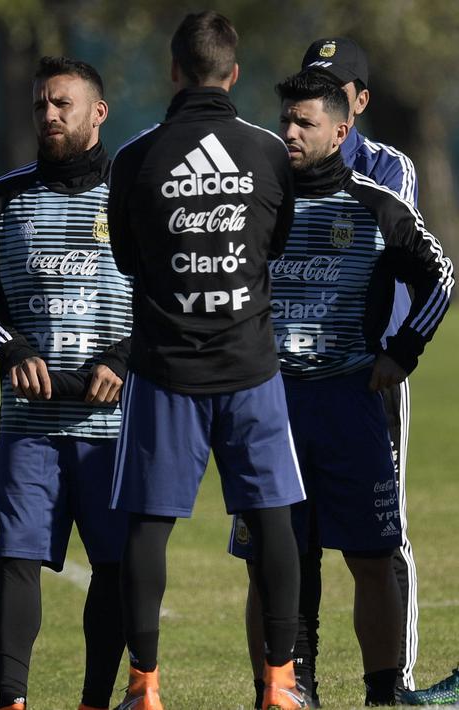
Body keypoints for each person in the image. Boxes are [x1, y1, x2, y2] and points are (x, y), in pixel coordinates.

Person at [105, 11, 306, 709]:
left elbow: (126, 259)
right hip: (251, 366)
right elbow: (274, 245)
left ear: (173, 70)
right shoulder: (267, 152)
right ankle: (280, 685)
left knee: (147, 524)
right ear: (234, 73)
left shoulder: (135, 157)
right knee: (273, 518)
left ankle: (145, 687)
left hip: (165, 370)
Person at [238, 68, 452, 708]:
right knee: (272, 559)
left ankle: (382, 693)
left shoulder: (378, 206)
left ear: (340, 130)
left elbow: (440, 277)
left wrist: (403, 350)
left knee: (371, 557)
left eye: (305, 122)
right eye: (286, 120)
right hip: (271, 407)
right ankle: (285, 689)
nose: (290, 132)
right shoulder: (255, 203)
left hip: (349, 404)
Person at [0, 56, 131, 710]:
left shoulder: (133, 193)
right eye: (40, 105)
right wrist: (12, 348)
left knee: (113, 565)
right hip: (28, 423)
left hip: (112, 424)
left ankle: (93, 701)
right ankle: (11, 701)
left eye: (62, 104)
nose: (49, 115)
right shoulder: (5, 197)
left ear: (98, 112)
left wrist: (123, 360)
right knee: (16, 557)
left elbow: (169, 294)